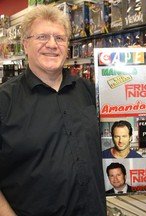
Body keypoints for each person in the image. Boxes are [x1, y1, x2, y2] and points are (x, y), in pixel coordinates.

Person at [0, 5, 106, 215]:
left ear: (68, 46)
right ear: (25, 45)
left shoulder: (89, 90)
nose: (52, 44)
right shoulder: (4, 100)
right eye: (42, 37)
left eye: (60, 38)